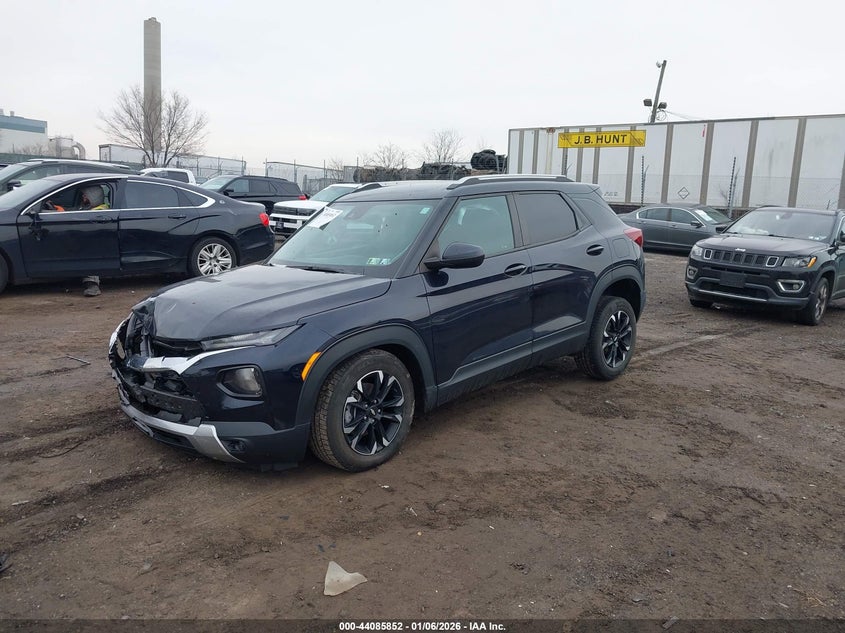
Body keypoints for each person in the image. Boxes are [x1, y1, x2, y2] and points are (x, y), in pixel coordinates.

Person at [78, 186, 109, 297]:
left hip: (100, 244)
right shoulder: (89, 208)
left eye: (85, 195)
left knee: (89, 251)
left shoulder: (99, 211)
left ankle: (92, 284)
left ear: (93, 197)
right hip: (94, 241)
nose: (83, 197)